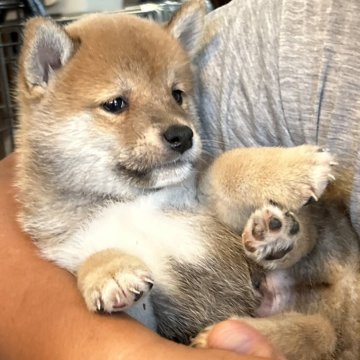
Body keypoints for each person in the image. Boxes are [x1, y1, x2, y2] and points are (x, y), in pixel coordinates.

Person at [1, 0, 359, 358]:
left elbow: (217, 185)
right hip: (213, 331)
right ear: (46, 69)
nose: (175, 124)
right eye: (116, 105)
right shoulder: (60, 226)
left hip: (308, 290)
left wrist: (261, 172)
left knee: (318, 329)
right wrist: (101, 269)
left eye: (176, 95)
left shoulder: (182, 180)